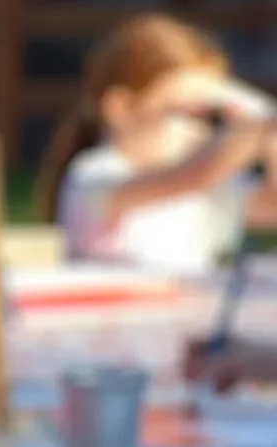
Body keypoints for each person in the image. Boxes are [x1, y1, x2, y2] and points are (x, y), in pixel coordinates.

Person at [37, 13, 277, 275]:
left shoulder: (212, 189)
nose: (200, 131)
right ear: (123, 109)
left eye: (210, 116)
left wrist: (256, 117)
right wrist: (257, 121)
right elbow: (192, 176)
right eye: (186, 111)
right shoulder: (93, 180)